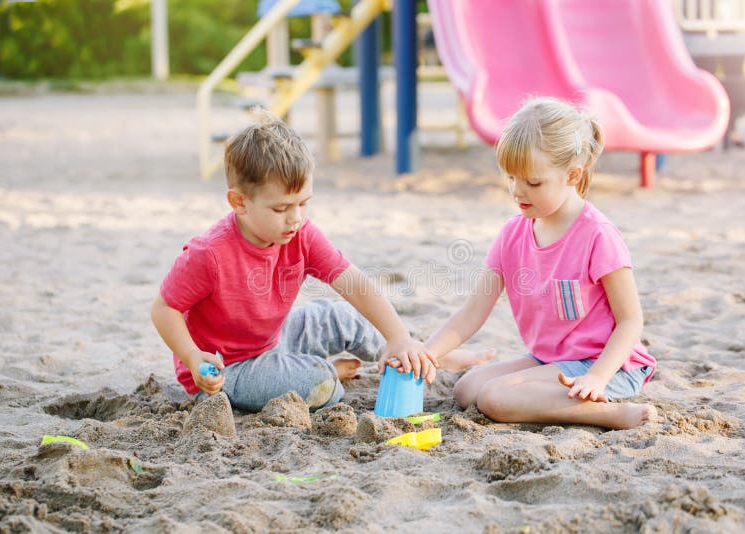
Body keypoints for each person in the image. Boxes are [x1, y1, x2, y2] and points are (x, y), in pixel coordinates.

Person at [151, 112, 488, 412]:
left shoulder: (301, 234)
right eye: (281, 208)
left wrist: (397, 336)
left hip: (274, 339)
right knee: (321, 383)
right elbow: (164, 308)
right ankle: (326, 368)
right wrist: (193, 356)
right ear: (239, 202)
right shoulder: (209, 254)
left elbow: (353, 282)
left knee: (342, 316)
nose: (295, 219)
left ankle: (426, 355)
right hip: (229, 370)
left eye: (304, 204)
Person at [418, 97, 657, 430]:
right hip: (551, 360)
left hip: (607, 365)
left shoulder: (597, 235)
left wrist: (597, 377)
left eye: (532, 182)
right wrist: (426, 353)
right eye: (511, 178)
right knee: (467, 389)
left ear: (572, 175)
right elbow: (473, 312)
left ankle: (608, 415)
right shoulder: (513, 233)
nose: (517, 192)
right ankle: (559, 399)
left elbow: (631, 321)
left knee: (494, 398)